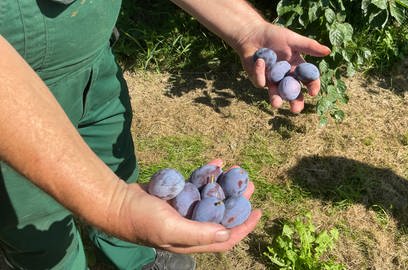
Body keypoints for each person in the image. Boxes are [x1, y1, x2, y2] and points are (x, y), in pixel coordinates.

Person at [0, 0, 330, 269]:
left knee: (119, 167)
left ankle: (134, 256)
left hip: (93, 68)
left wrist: (248, 28)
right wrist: (115, 206)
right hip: (10, 107)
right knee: (34, 224)